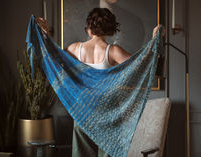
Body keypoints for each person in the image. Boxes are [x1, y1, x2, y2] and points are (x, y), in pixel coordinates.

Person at [36, 7, 165, 157]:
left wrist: (44, 35)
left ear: (89, 28)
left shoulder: (74, 49)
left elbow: (52, 57)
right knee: (108, 153)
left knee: (82, 153)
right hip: (110, 112)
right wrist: (156, 39)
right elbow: (143, 63)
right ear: (110, 29)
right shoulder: (113, 51)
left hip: (83, 110)